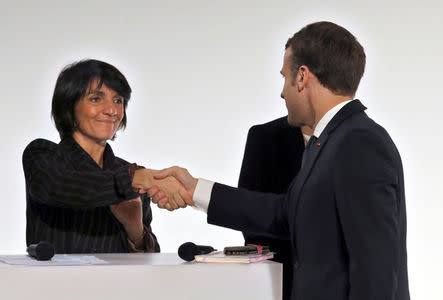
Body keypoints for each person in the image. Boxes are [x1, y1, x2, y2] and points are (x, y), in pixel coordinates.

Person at [147, 21, 410, 299]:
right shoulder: (329, 142)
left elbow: (377, 271)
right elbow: (284, 213)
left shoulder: (359, 143)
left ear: (302, 77)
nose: (283, 91)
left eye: (285, 77)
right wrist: (194, 190)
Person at [23, 59, 184, 253]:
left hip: (119, 283)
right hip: (57, 282)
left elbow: (149, 260)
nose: (111, 110)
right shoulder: (42, 154)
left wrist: (135, 229)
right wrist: (136, 179)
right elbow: (64, 186)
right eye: (95, 98)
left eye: (118, 100)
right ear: (68, 106)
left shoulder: (131, 175)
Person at [238, 117, 310, 300]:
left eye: (288, 85)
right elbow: (249, 216)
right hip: (279, 282)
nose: (282, 94)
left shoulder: (354, 139)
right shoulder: (265, 136)